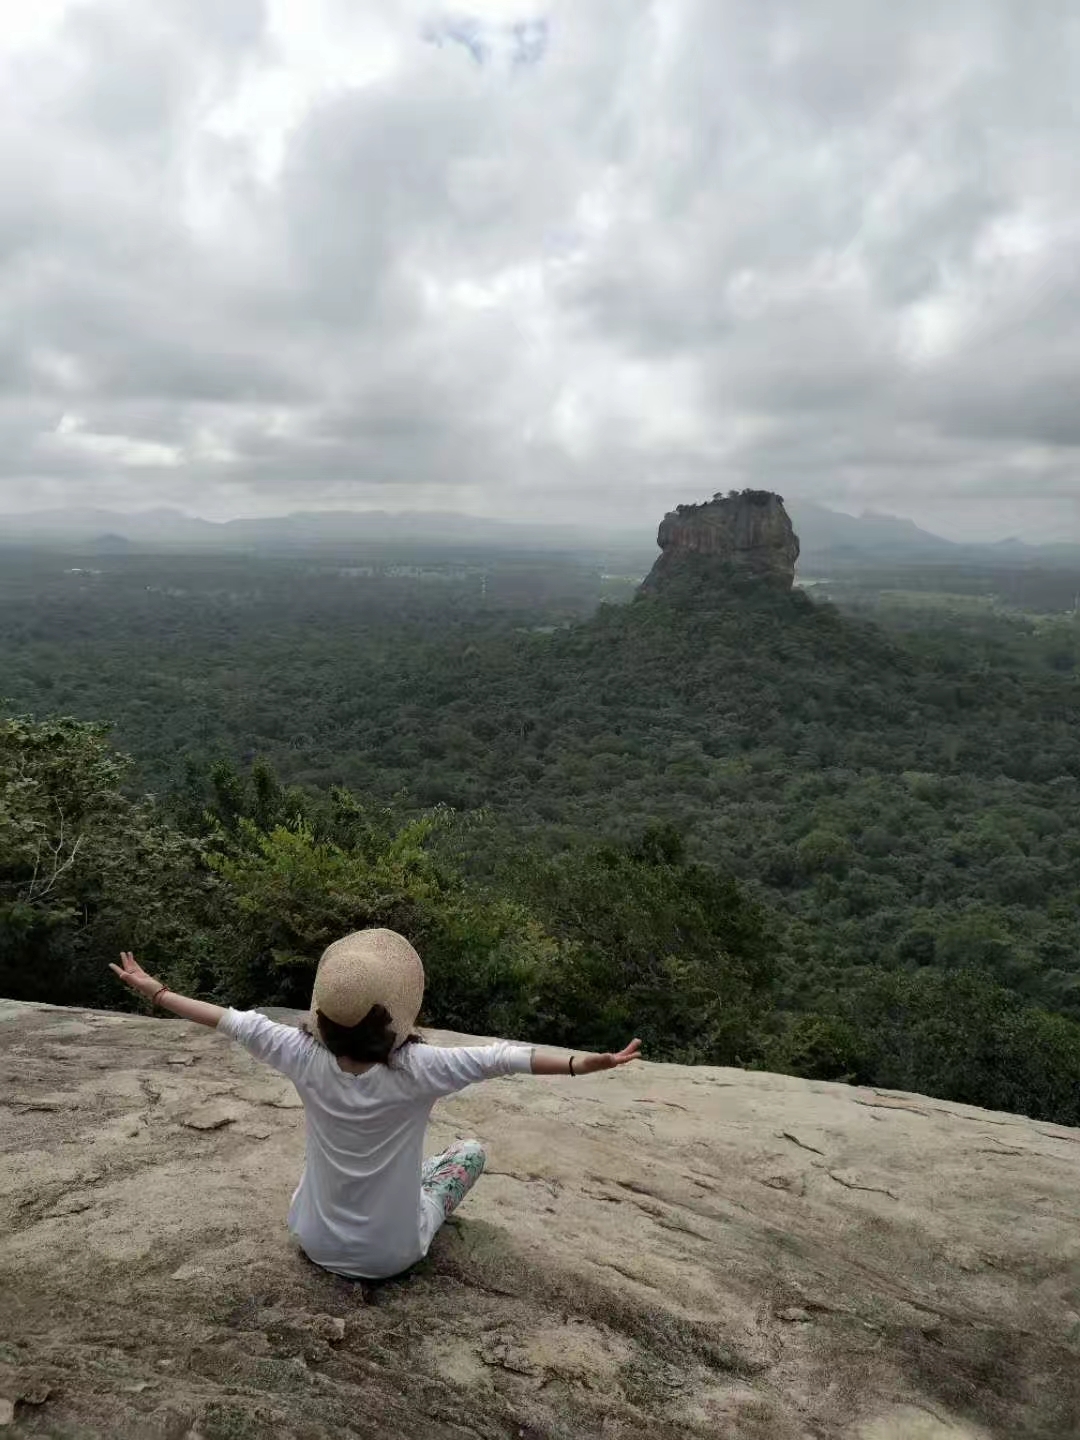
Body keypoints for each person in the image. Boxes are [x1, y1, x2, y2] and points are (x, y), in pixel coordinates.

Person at [110, 928, 641, 1281]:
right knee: (467, 1153)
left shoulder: (297, 1054)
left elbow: (228, 1020)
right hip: (392, 1255)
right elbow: (504, 1058)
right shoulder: (421, 1069)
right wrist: (580, 1064)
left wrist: (156, 991)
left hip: (315, 1243)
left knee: (315, 1172)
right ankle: (418, 1198)